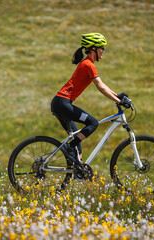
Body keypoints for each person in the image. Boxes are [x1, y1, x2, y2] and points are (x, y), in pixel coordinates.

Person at [51, 33, 124, 167]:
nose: (103, 51)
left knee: (77, 137)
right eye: (102, 48)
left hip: (61, 103)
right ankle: (68, 148)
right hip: (63, 103)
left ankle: (78, 168)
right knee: (93, 123)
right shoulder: (88, 65)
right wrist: (119, 102)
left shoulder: (87, 64)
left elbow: (103, 85)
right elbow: (101, 87)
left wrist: (118, 96)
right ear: (93, 49)